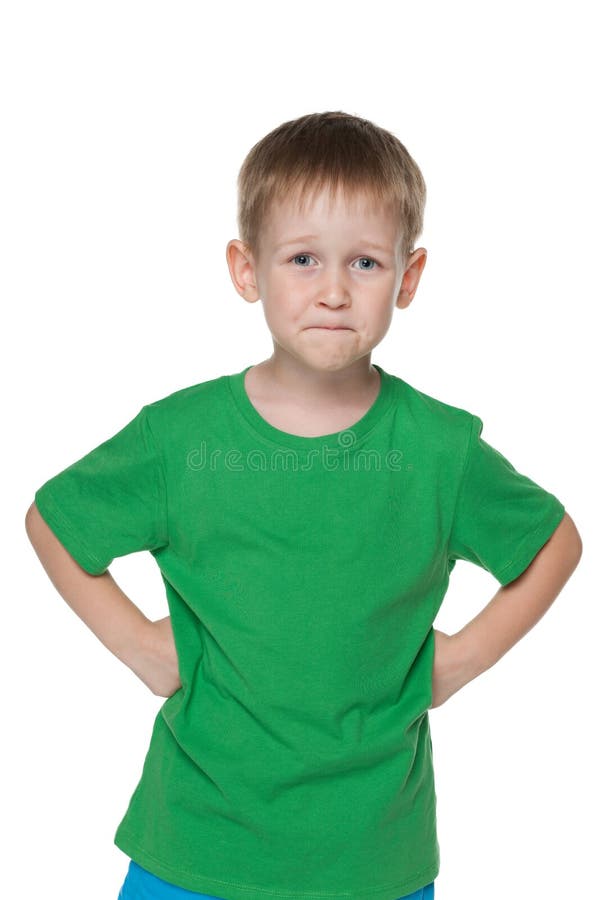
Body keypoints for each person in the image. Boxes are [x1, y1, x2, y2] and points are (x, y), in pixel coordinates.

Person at [25, 110, 582, 900]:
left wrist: (458, 662)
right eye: (302, 259)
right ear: (246, 270)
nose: (331, 290)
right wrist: (138, 645)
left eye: (363, 262)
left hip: (371, 861)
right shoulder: (181, 438)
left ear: (408, 277)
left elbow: (553, 541)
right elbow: (56, 519)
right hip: (194, 845)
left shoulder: (438, 451)